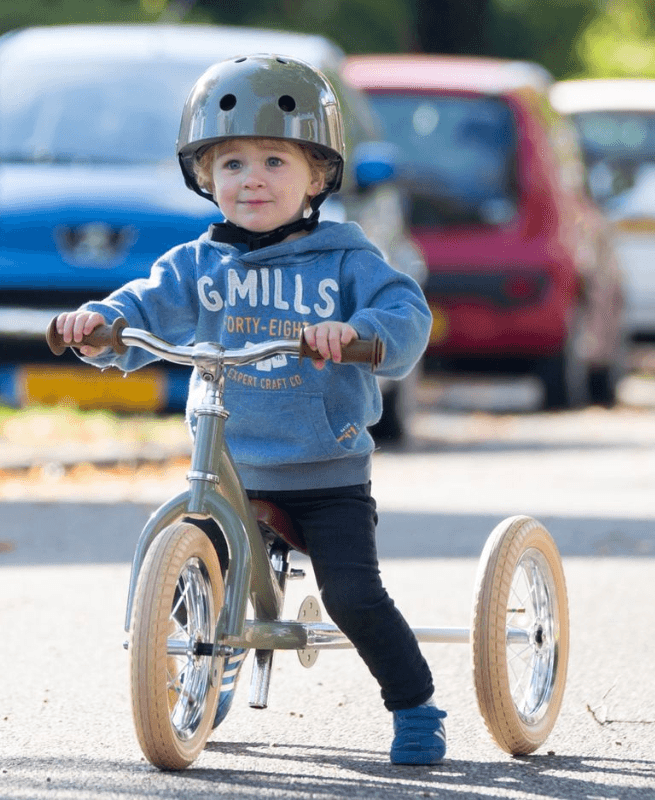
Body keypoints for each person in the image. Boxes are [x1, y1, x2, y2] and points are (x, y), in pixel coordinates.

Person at [55, 53, 446, 765]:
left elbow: (404, 310)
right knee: (190, 577)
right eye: (232, 163)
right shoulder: (197, 265)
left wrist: (357, 334)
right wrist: (100, 324)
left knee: (354, 596)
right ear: (206, 178)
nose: (253, 178)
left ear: (318, 176)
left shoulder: (344, 259)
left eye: (274, 160)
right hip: (232, 462)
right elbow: (142, 306)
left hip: (325, 469)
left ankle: (415, 702)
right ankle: (201, 674)